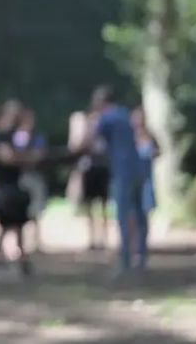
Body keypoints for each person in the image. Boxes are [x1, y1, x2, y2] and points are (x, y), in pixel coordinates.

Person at [80, 86, 147, 276]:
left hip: (121, 170)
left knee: (123, 215)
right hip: (137, 167)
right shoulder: (125, 114)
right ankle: (141, 255)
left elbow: (90, 141)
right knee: (139, 213)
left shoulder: (106, 118)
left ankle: (125, 259)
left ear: (101, 102)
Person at [0, 102, 44, 277]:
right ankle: (0, 259)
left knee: (18, 225)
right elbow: (7, 158)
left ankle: (20, 260)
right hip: (4, 187)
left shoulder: (16, 136)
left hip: (15, 186)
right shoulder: (1, 136)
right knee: (4, 225)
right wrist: (26, 157)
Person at [67, 99, 110, 251]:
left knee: (103, 204)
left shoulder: (105, 125)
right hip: (89, 167)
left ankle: (104, 238)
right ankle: (92, 238)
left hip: (102, 167)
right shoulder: (85, 124)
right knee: (90, 204)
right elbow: (77, 146)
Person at [13, 107, 48, 253]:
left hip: (34, 175)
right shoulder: (16, 136)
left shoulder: (37, 137)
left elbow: (39, 155)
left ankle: (36, 241)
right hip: (21, 177)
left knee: (36, 210)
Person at [130, 107, 159, 246]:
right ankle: (133, 245)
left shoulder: (149, 135)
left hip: (146, 179)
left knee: (144, 214)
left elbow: (159, 151)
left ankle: (143, 245)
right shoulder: (129, 136)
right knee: (132, 215)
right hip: (132, 179)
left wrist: (152, 153)